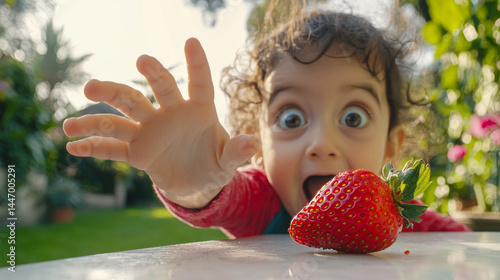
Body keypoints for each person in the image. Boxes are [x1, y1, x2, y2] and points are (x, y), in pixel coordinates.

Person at [63, 7, 470, 238]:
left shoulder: (409, 221)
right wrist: (200, 186)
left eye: (353, 116)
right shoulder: (263, 204)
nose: (321, 142)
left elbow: (470, 253)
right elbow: (226, 198)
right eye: (291, 117)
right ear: (258, 143)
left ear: (391, 146)